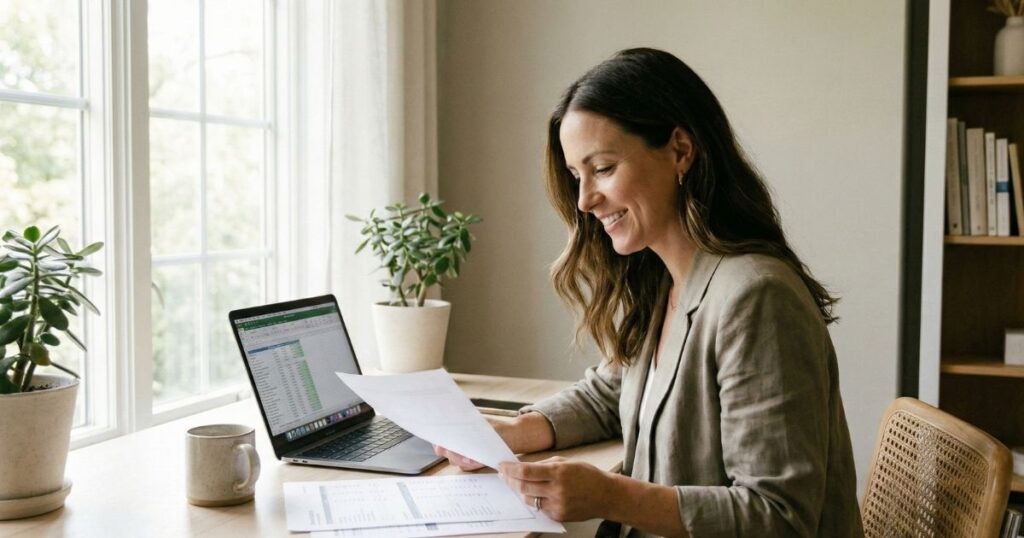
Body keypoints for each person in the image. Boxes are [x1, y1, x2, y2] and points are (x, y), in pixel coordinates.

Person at [435, 48, 864, 538]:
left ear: (681, 150)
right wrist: (516, 432)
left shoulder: (756, 298)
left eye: (602, 168)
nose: (584, 200)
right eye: (578, 175)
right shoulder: (667, 280)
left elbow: (779, 517)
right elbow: (610, 393)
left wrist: (610, 496)